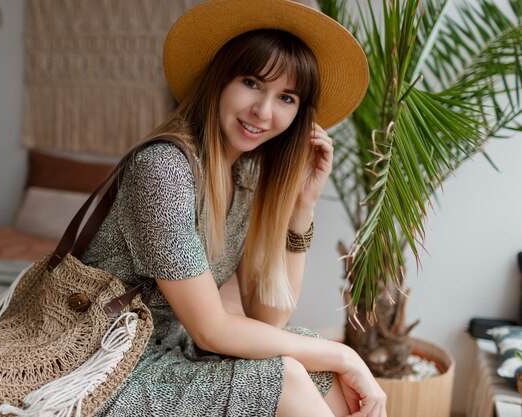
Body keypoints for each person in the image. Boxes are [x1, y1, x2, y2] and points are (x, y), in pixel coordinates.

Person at [80, 0, 386, 416]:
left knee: (316, 371)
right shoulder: (163, 170)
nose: (263, 112)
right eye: (252, 82)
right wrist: (345, 354)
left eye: (287, 97)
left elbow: (268, 316)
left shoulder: (246, 175)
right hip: (101, 366)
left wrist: (303, 205)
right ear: (220, 79)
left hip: (166, 352)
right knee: (290, 378)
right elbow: (211, 329)